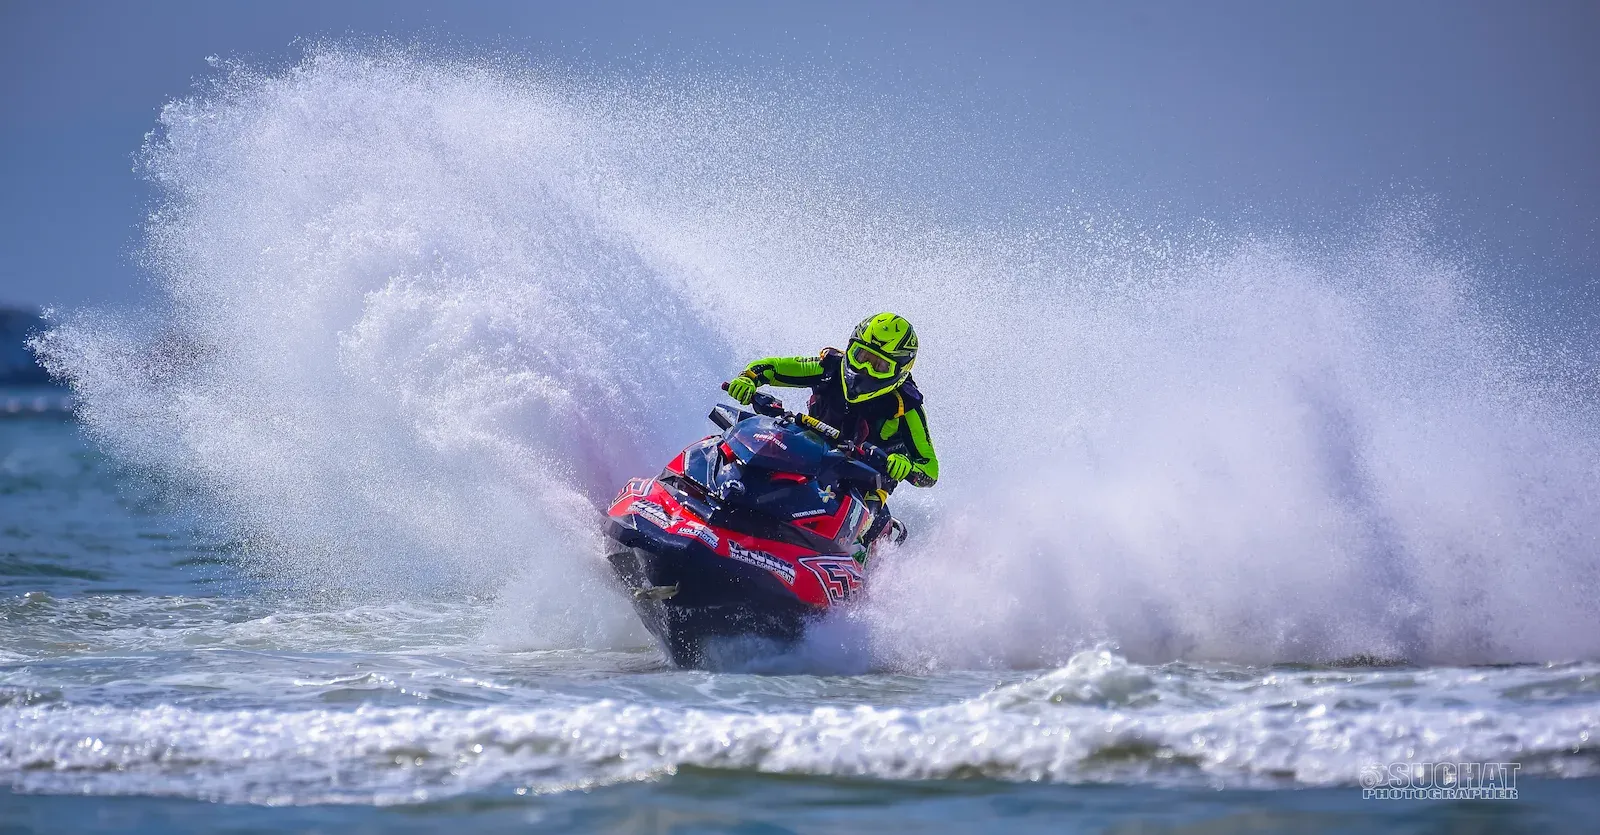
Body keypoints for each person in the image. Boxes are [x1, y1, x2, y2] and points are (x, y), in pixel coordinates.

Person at [724, 312, 938, 555]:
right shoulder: (829, 368)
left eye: (879, 366)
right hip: (806, 453)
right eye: (861, 356)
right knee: (754, 455)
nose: (865, 368)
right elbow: (772, 367)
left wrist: (906, 466)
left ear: (899, 371)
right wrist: (748, 379)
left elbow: (930, 470)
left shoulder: (907, 407)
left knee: (863, 530)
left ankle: (850, 571)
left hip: (862, 483)